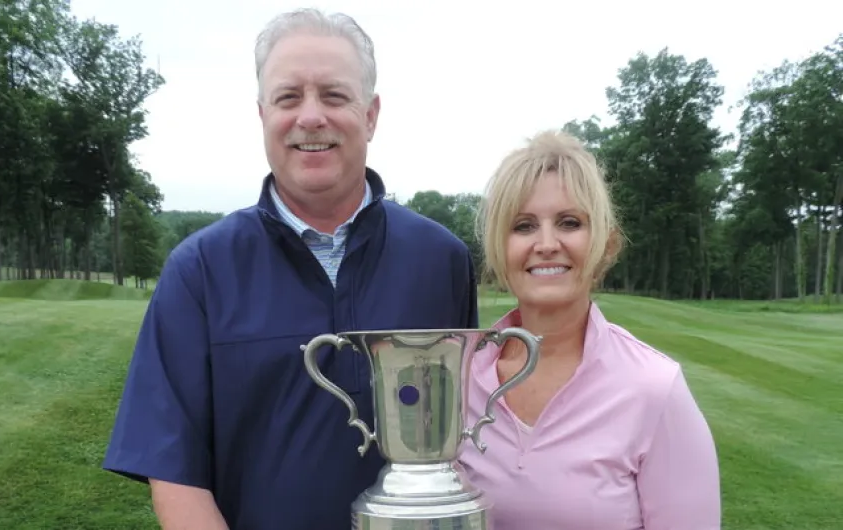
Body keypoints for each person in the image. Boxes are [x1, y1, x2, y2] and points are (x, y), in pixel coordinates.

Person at [101, 8, 478, 530]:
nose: (311, 116)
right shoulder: (199, 270)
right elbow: (175, 473)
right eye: (288, 97)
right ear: (262, 115)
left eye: (334, 94)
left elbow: (463, 441)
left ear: (370, 114)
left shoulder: (442, 260)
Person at [458, 130, 721, 529]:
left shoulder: (652, 386)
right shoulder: (458, 378)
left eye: (569, 222)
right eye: (524, 226)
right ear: (499, 247)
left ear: (606, 243)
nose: (546, 244)